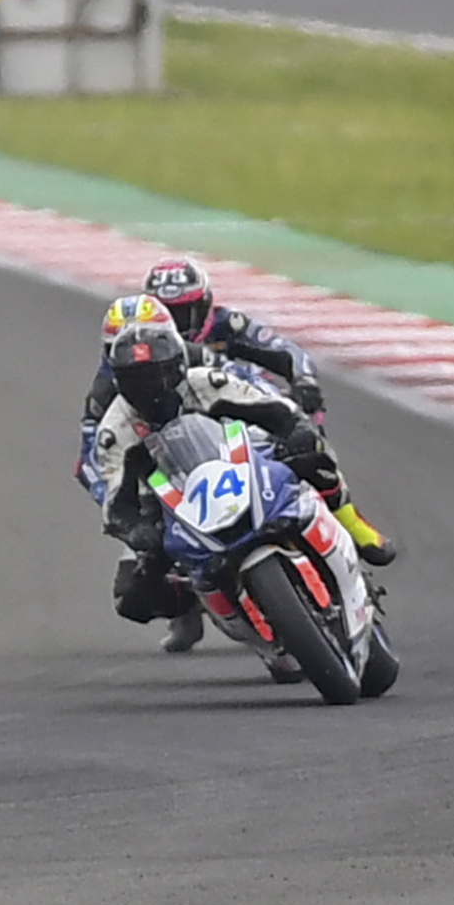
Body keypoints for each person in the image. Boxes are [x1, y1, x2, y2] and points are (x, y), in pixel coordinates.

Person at [86, 323, 375, 666]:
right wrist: (136, 531)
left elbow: (274, 410)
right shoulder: (114, 429)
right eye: (136, 381)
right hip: (173, 504)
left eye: (157, 375)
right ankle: (207, 613)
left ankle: (353, 530)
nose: (150, 388)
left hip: (241, 462)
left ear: (177, 366)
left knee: (316, 461)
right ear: (119, 382)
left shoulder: (207, 383)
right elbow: (115, 501)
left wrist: (295, 431)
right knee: (133, 596)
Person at [128, 254, 396, 562]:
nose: (177, 326)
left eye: (184, 313)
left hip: (246, 414)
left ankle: (349, 520)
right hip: (187, 438)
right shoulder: (137, 349)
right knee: (138, 581)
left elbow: (287, 352)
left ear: (204, 306)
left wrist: (304, 381)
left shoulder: (227, 324)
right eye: (168, 315)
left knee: (307, 441)